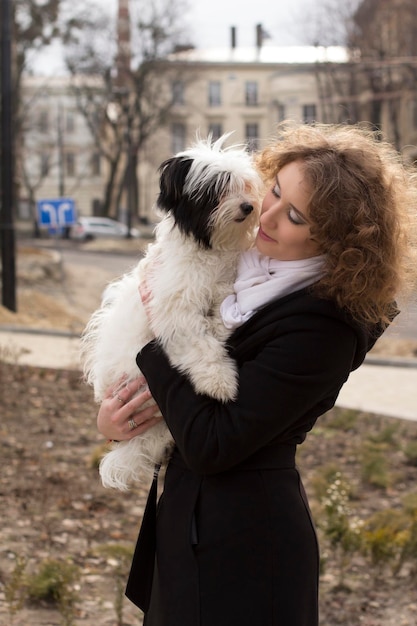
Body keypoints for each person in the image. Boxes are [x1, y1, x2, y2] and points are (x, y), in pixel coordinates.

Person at [96, 122, 417, 626]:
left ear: (336, 242)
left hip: (244, 549)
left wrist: (157, 335)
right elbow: (174, 399)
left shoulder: (323, 327)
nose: (265, 215)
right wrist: (116, 421)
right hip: (186, 528)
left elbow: (213, 443)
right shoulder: (239, 262)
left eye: (294, 216)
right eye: (272, 190)